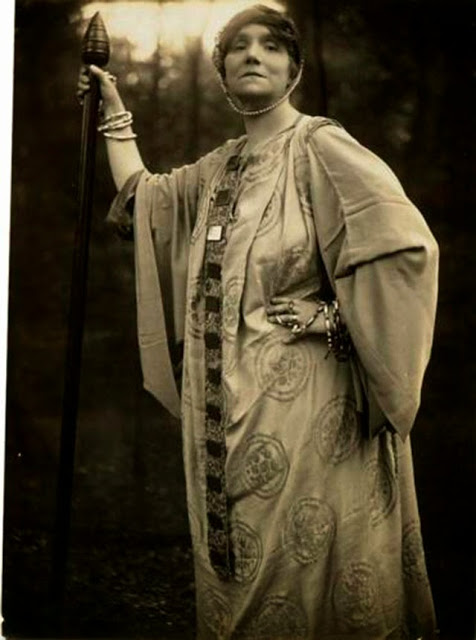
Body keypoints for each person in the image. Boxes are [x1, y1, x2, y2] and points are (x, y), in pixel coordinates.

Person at [77, 5, 439, 639]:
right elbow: (144, 201)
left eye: (271, 46)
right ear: (221, 73)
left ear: (294, 70)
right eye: (238, 47)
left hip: (310, 418)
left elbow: (406, 250)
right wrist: (113, 108)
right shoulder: (217, 169)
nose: (252, 54)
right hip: (219, 418)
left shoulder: (320, 146)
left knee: (307, 579)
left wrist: (335, 316)